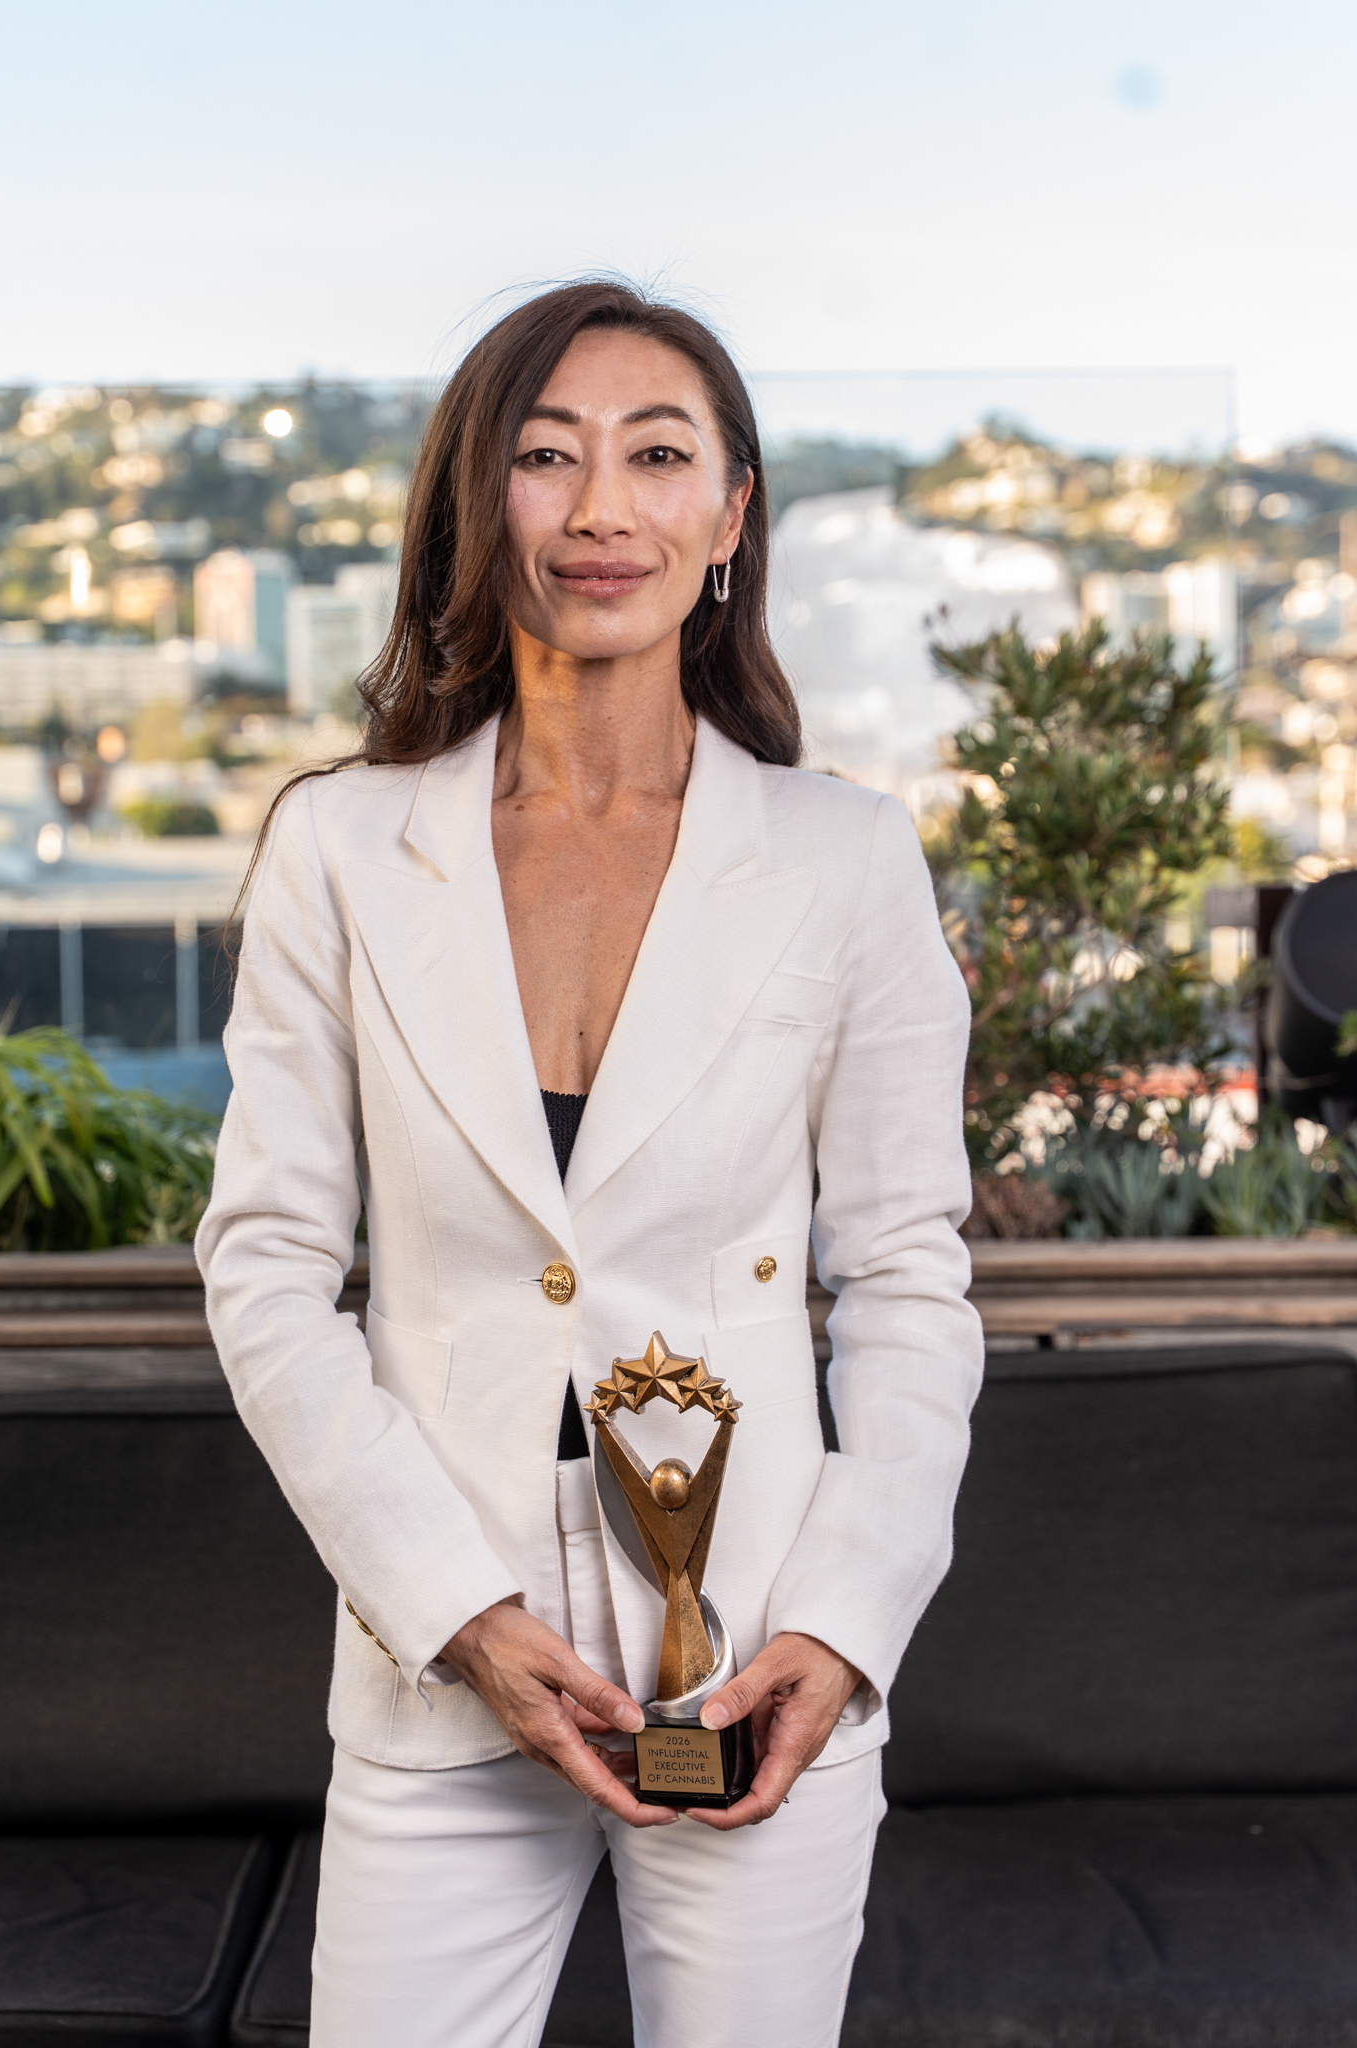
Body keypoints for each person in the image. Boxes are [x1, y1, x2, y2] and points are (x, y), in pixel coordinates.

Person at [197, 279, 983, 2048]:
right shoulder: (338, 848)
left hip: (757, 1648)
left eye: (658, 455)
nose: (602, 508)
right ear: (480, 504)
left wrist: (845, 1623)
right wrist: (453, 1610)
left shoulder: (848, 858)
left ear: (733, 513)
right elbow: (265, 1271)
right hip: (444, 1649)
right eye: (547, 457)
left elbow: (909, 1285)